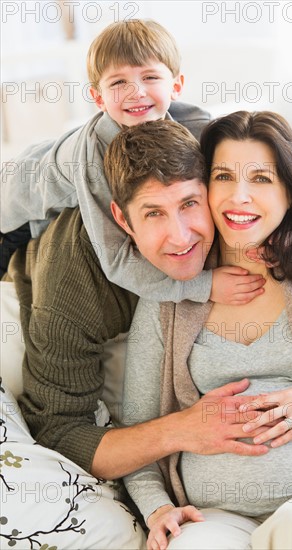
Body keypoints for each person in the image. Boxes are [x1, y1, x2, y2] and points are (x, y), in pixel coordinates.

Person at [2, 120, 268, 549]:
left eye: (189, 204)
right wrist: (183, 429)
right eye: (153, 213)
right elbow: (58, 430)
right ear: (123, 220)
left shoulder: (241, 211)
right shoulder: (75, 282)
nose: (180, 237)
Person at [122, 111, 292, 550]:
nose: (239, 196)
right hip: (214, 515)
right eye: (223, 176)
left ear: (289, 191)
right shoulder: (171, 292)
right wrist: (157, 506)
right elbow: (139, 428)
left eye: (261, 178)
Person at [0, 18, 257, 305]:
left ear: (176, 85)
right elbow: (116, 260)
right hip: (16, 206)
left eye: (150, 77)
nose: (137, 92)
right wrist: (203, 287)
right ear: (98, 98)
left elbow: (239, 157)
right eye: (119, 82)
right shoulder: (93, 158)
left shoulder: (191, 121)